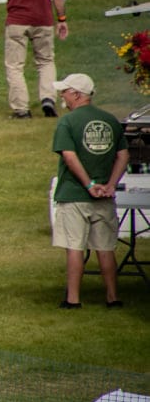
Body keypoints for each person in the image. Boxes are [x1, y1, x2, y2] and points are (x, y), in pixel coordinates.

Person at [49, 73, 128, 308]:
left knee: (74, 247)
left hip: (74, 195)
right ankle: (113, 297)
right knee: (105, 249)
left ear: (76, 94)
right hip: (105, 197)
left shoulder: (68, 122)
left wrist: (89, 185)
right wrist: (111, 184)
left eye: (64, 91)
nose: (61, 95)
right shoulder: (110, 120)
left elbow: (69, 156)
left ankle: (73, 299)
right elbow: (123, 155)